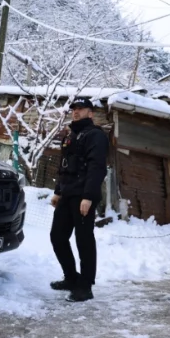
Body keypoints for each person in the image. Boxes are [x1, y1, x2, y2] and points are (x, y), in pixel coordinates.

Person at [49, 96, 109, 302]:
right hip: (67, 194)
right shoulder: (70, 135)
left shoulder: (95, 136)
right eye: (74, 108)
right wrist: (58, 191)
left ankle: (85, 286)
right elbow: (64, 165)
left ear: (90, 113)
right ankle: (71, 278)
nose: (76, 112)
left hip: (83, 196)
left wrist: (88, 197)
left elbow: (97, 168)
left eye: (81, 109)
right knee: (57, 237)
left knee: (84, 241)